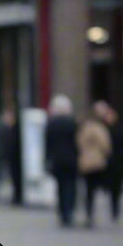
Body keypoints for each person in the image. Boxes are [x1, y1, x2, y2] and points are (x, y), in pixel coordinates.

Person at [45, 94, 78, 227]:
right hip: (71, 159)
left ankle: (63, 211)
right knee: (70, 186)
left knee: (60, 186)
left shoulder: (51, 124)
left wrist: (47, 159)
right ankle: (69, 211)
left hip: (57, 159)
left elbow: (48, 143)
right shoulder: (72, 123)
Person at [77, 104, 112, 228]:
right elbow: (106, 145)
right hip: (97, 161)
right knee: (95, 188)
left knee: (88, 189)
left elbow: (79, 142)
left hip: (85, 161)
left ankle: (88, 213)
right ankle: (91, 214)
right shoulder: (100, 128)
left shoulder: (84, 128)